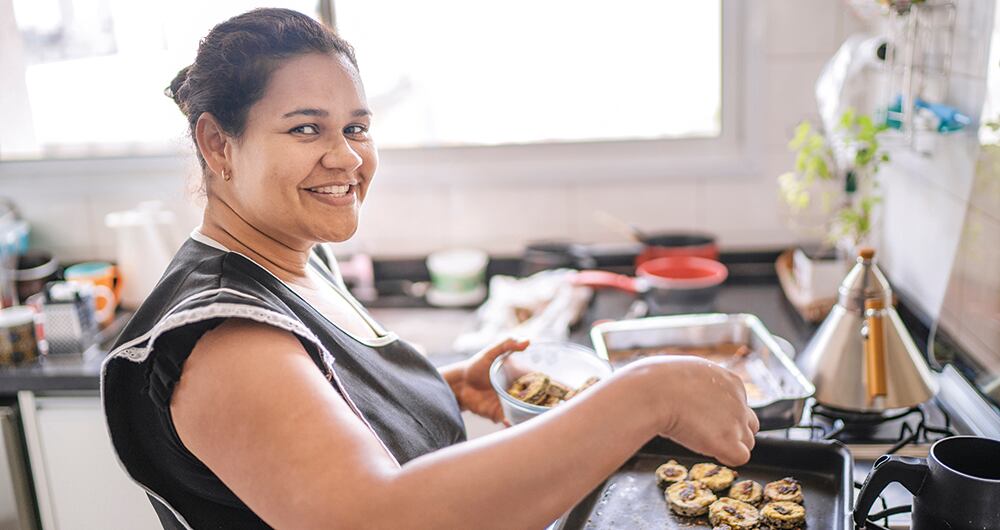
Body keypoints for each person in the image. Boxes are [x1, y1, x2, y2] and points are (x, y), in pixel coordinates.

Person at [101, 8, 759, 529]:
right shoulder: (224, 339)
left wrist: (435, 389)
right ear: (218, 144)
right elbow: (379, 519)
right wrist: (646, 396)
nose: (346, 158)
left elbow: (313, 415)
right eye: (306, 129)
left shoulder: (296, 258)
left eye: (356, 128)